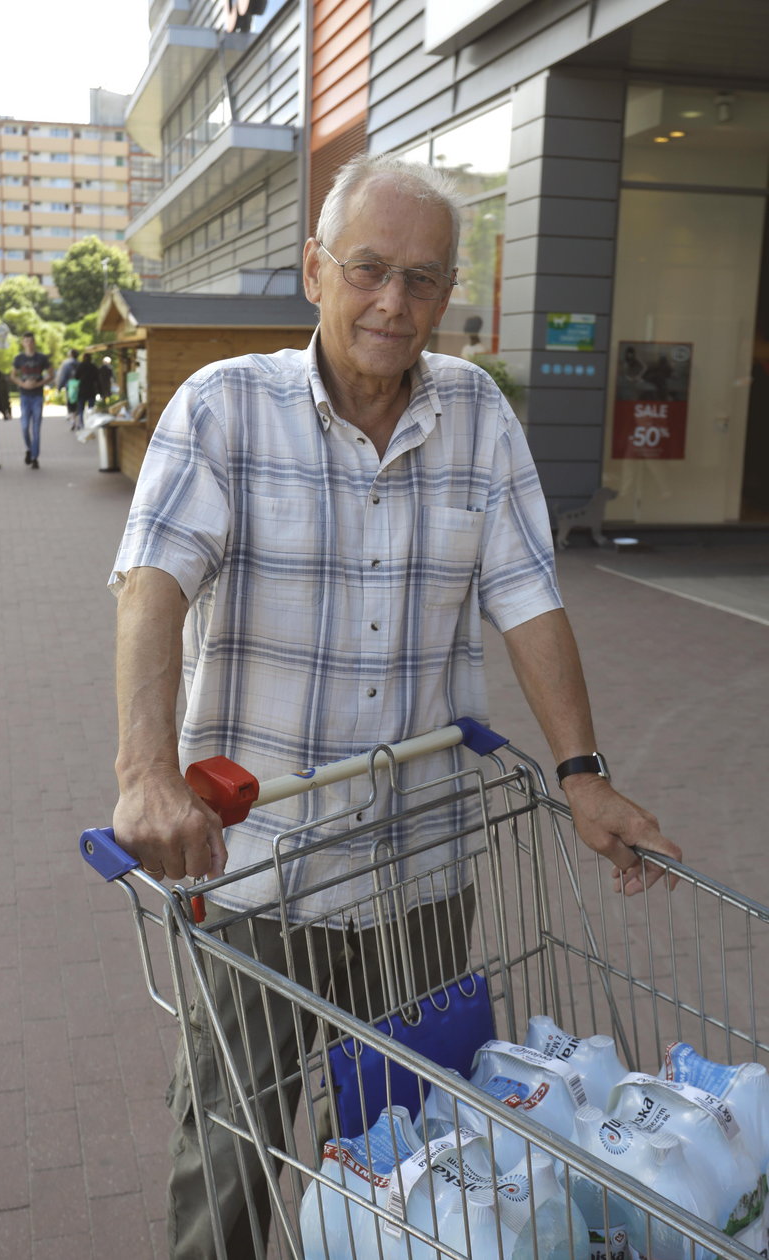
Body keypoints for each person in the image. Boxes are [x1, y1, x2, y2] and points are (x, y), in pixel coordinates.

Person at [109, 154, 683, 1257]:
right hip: (259, 877)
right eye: (370, 269)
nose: (395, 302)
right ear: (315, 270)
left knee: (415, 1161)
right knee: (229, 1151)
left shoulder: (475, 414)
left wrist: (582, 773)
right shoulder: (225, 408)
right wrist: (145, 772)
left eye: (424, 279)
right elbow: (153, 584)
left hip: (422, 873)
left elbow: (527, 596)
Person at [10, 331, 53, 469]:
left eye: (31, 341)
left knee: (36, 428)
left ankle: (35, 457)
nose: (28, 343)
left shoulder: (42, 358)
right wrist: (23, 384)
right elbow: (13, 376)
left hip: (37, 396)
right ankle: (29, 449)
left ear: (34, 342)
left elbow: (51, 374)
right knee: (24, 426)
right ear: (23, 343)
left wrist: (38, 384)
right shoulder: (19, 359)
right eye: (26, 341)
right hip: (24, 396)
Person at [75, 352, 99, 430]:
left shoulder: (80, 366)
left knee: (81, 408)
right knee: (91, 408)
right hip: (91, 390)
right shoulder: (93, 367)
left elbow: (76, 377)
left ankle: (82, 424)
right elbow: (97, 378)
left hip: (82, 389)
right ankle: (90, 423)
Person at [56, 348, 80, 426]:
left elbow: (63, 376)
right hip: (79, 385)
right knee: (77, 402)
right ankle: (77, 418)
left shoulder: (66, 364)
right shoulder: (80, 364)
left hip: (69, 385)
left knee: (70, 402)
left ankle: (73, 419)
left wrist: (59, 387)